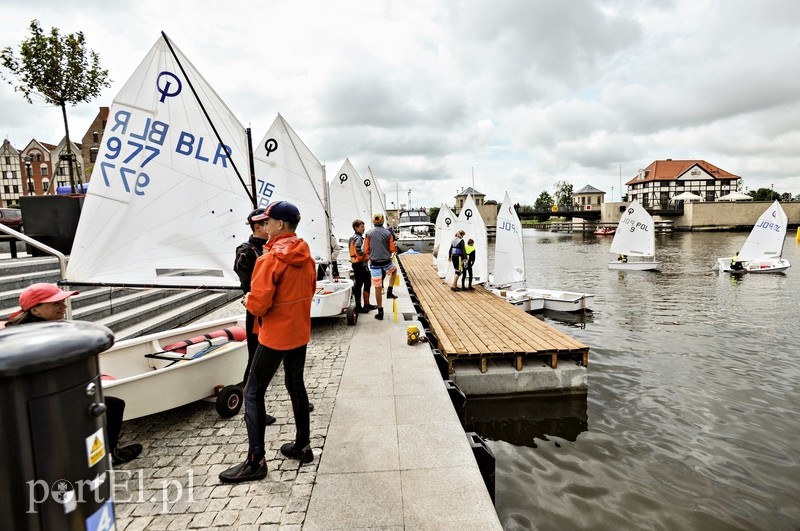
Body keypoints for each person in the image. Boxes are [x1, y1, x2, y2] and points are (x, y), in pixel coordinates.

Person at [219, 201, 317, 483]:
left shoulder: (269, 259)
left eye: (267, 221)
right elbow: (310, 291)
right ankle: (303, 445)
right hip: (299, 331)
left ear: (280, 225)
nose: (263, 225)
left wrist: (247, 299)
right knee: (296, 385)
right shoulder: (307, 256)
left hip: (275, 335)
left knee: (252, 391)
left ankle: (255, 460)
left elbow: (259, 305)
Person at [4, 283, 142, 466]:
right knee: (113, 406)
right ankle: (109, 455)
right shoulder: (39, 338)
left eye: (63, 301)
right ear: (36, 310)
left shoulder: (23, 329)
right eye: (56, 303)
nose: (64, 307)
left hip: (35, 401)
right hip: (46, 402)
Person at [233, 208, 277, 425]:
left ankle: (299, 400)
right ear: (257, 227)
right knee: (255, 361)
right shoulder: (246, 251)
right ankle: (252, 411)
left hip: (274, 313)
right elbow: (249, 286)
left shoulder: (271, 248)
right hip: (257, 314)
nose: (270, 228)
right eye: (266, 225)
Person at [363, 213, 398, 321]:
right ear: (382, 221)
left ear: (373, 222)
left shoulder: (368, 233)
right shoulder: (388, 233)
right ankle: (389, 290)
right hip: (386, 261)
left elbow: (365, 250)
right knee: (394, 271)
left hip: (374, 264)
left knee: (377, 287)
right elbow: (392, 249)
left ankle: (380, 312)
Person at [349, 219, 377, 313]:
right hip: (361, 264)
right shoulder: (359, 238)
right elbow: (358, 250)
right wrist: (365, 255)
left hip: (356, 264)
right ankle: (364, 305)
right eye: (361, 227)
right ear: (356, 228)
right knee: (366, 283)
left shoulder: (352, 237)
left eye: (363, 227)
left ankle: (361, 305)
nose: (363, 229)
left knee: (359, 284)